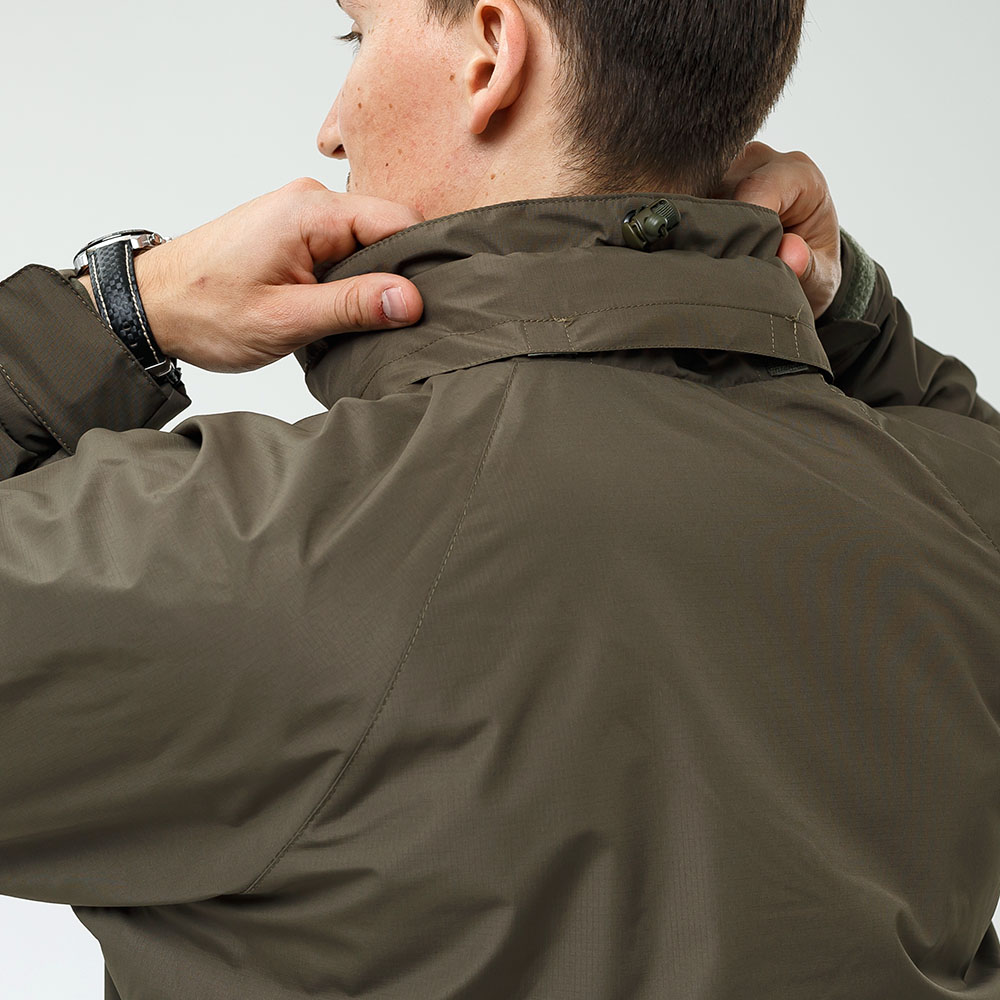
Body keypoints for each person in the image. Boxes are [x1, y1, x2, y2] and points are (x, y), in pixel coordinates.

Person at [1, 3, 998, 1000]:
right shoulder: (950, 520)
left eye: (358, 37)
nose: (332, 129)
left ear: (491, 52)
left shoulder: (265, 549)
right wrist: (845, 307)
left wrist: (122, 306)